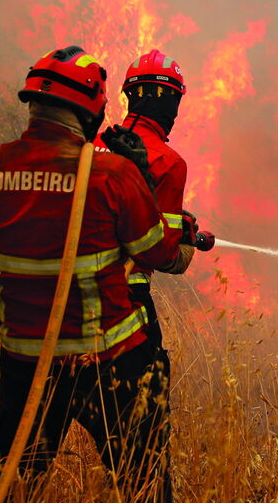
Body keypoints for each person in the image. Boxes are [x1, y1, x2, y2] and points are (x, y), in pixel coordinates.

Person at [0, 46, 180, 501]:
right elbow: (160, 254)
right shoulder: (111, 176)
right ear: (90, 110)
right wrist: (141, 177)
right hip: (110, 361)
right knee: (142, 482)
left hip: (25, 365)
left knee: (18, 482)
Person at [98, 49, 214, 354]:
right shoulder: (169, 162)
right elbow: (161, 256)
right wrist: (186, 239)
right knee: (147, 394)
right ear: (172, 101)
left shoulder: (94, 143)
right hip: (127, 295)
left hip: (74, 294)